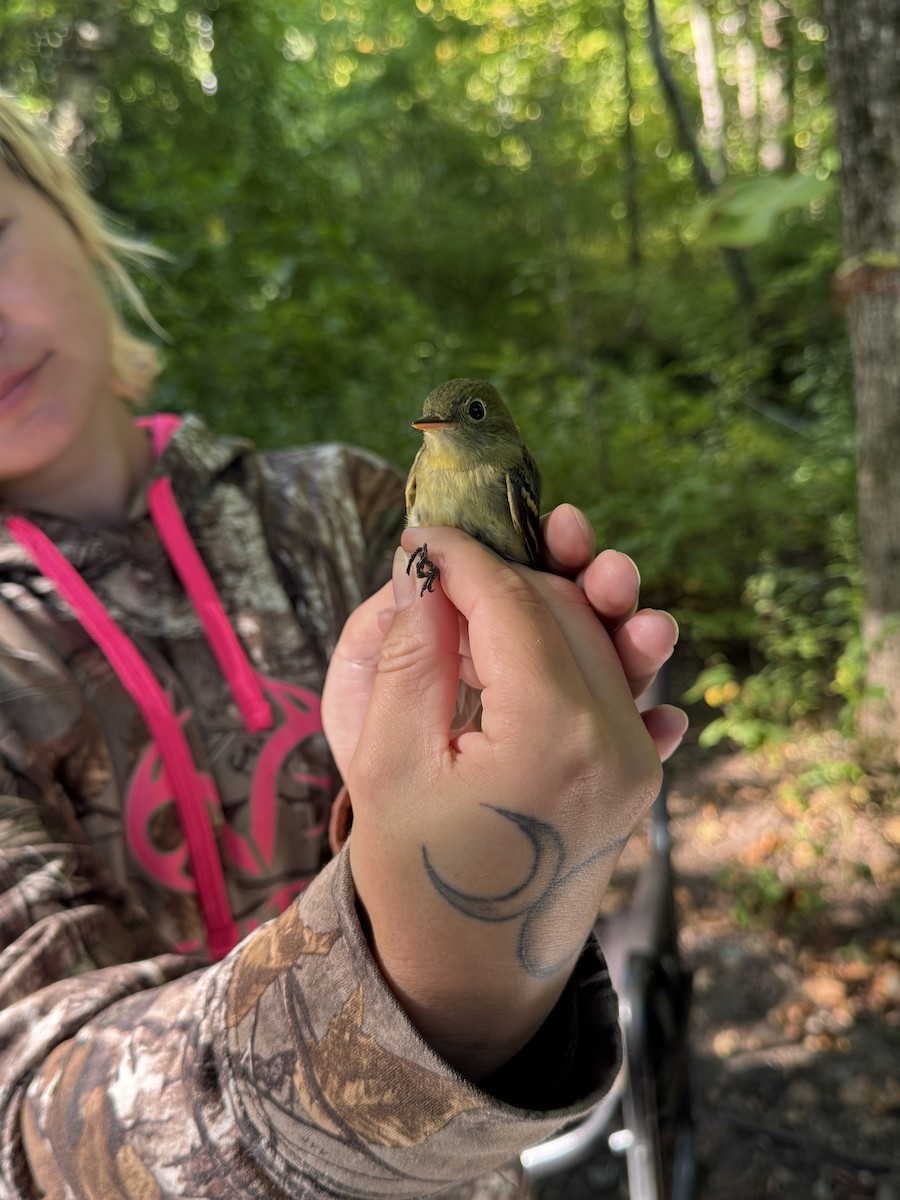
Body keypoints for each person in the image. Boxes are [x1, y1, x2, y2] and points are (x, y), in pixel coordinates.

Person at [0, 92, 688, 1199]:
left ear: (73, 217)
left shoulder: (338, 508)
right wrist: (429, 961)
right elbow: (27, 1109)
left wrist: (543, 757)